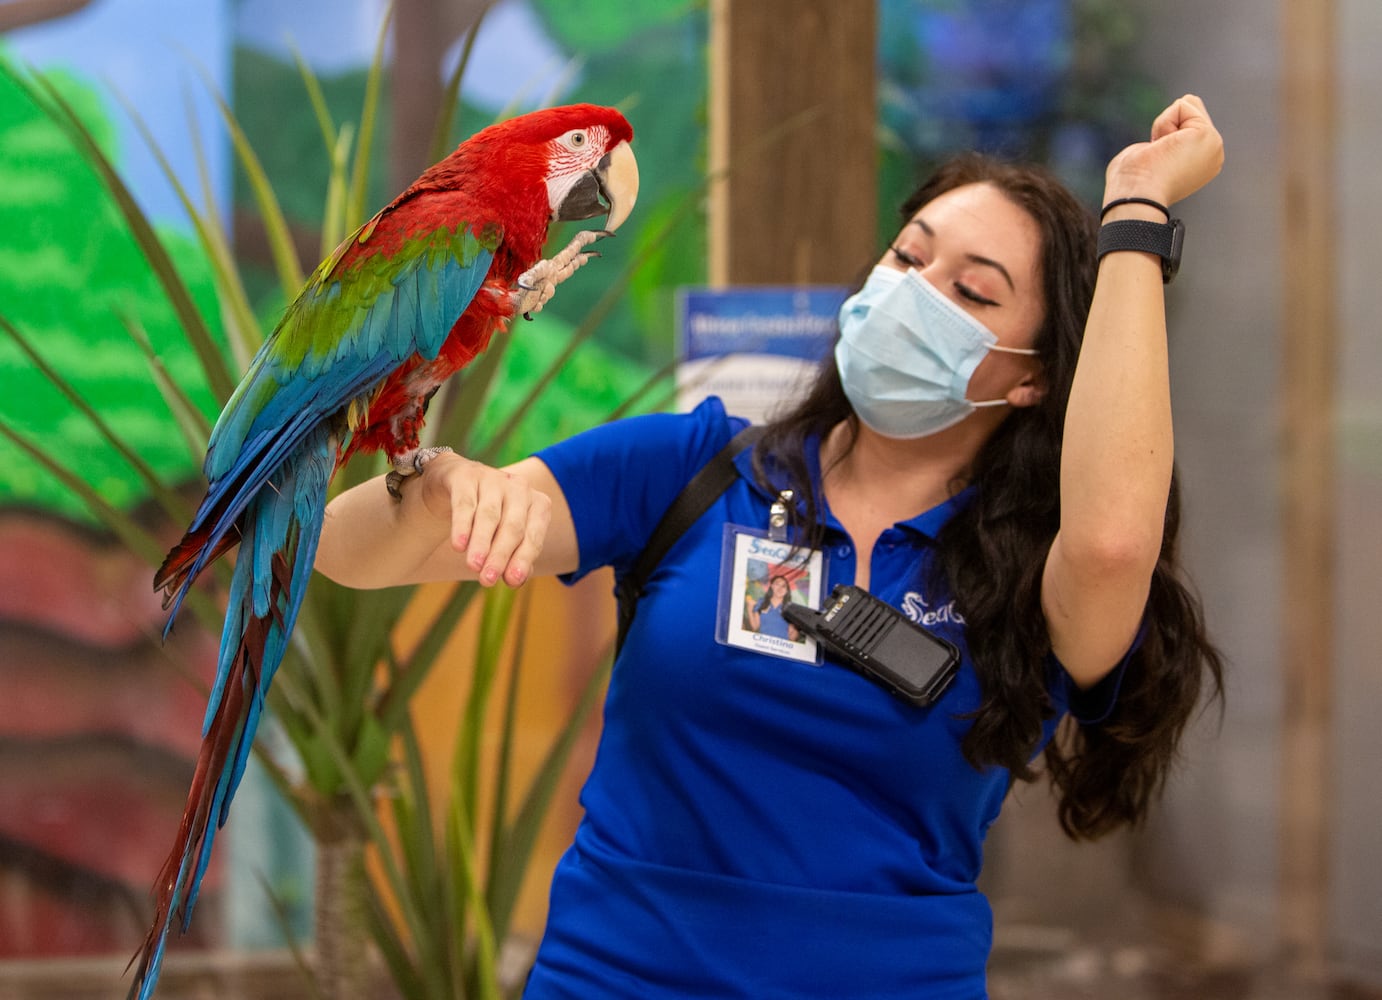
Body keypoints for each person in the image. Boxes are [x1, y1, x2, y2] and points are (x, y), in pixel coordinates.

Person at [316, 94, 1226, 999]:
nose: (914, 292)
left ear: (1032, 381)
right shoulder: (692, 468)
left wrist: (1138, 208)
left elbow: (1112, 543)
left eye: (972, 290)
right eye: (907, 256)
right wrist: (432, 491)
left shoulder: (1032, 572)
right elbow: (344, 554)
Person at [745, 573, 801, 640]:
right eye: (777, 584)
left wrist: (795, 628)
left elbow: (793, 638)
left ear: (786, 591)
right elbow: (755, 627)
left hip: (781, 647)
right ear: (772, 586)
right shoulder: (761, 602)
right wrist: (749, 608)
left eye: (783, 586)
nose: (780, 588)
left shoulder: (791, 609)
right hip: (762, 643)